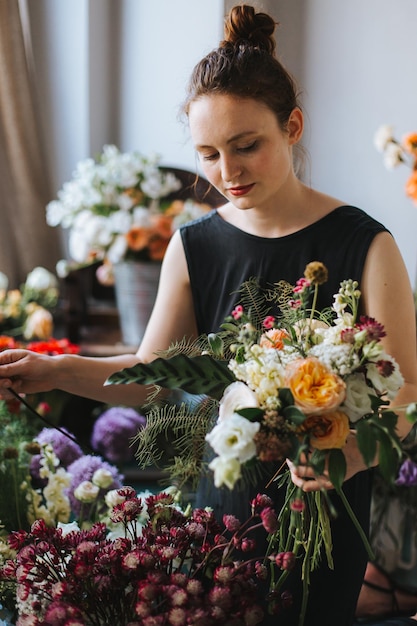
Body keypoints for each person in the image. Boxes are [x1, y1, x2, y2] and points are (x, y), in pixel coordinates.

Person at [0, 5, 416, 625]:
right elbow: (152, 374)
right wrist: (55, 370)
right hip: (224, 506)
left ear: (292, 126)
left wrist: (350, 454)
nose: (228, 173)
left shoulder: (366, 244)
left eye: (247, 146)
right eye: (209, 153)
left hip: (328, 508)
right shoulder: (195, 246)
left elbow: (407, 395)